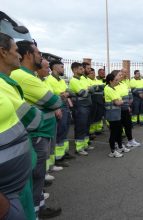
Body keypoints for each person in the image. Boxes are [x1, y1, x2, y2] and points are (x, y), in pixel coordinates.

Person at [11, 40, 62, 218]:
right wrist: (55, 101)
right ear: (28, 55)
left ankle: (39, 206)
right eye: (38, 53)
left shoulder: (30, 76)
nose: (41, 56)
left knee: (39, 175)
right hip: (37, 133)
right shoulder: (23, 76)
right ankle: (36, 211)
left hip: (42, 132)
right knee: (36, 175)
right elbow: (55, 101)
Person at [0, 32, 38, 220]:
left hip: (16, 180)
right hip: (7, 191)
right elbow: (32, 118)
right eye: (15, 50)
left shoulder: (7, 81)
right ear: (2, 52)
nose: (19, 55)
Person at [46, 60, 75, 168]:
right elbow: (50, 96)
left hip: (66, 106)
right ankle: (58, 158)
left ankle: (63, 153)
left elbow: (70, 92)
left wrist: (65, 94)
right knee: (59, 131)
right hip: (58, 107)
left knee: (65, 130)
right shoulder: (49, 80)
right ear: (54, 67)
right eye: (62, 67)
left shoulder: (61, 80)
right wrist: (62, 95)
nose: (63, 69)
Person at [68, 62, 91, 156]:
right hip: (80, 106)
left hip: (86, 105)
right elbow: (84, 93)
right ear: (74, 70)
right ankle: (79, 148)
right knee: (80, 126)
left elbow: (89, 89)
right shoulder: (73, 80)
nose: (83, 70)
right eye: (80, 69)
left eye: (82, 69)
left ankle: (85, 145)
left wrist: (88, 90)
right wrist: (89, 90)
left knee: (86, 125)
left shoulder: (82, 79)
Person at [114, 70, 140, 150]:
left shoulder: (123, 84)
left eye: (122, 75)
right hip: (118, 109)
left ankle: (130, 140)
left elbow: (129, 92)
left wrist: (130, 100)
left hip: (126, 108)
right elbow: (116, 99)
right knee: (118, 127)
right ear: (114, 76)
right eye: (119, 75)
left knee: (128, 125)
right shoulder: (113, 86)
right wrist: (125, 102)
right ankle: (117, 143)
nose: (121, 76)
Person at [104, 73, 125, 158]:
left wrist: (120, 101)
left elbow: (119, 100)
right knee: (114, 132)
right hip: (112, 114)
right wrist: (121, 102)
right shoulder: (108, 89)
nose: (117, 81)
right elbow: (117, 102)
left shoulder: (113, 88)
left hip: (116, 113)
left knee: (119, 130)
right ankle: (112, 151)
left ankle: (120, 147)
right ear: (110, 81)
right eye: (116, 80)